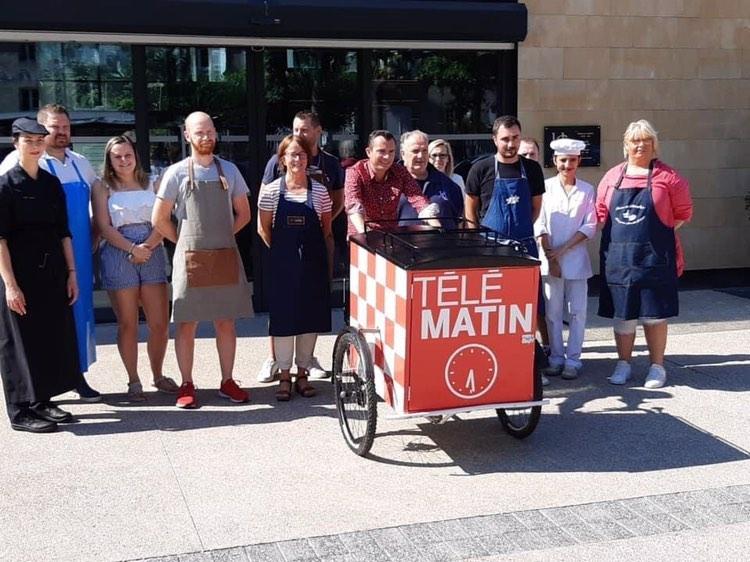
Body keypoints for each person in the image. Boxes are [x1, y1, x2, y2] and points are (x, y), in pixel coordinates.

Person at [151, 111, 253, 408]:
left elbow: (244, 214)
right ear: (187, 136)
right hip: (190, 258)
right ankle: (187, 383)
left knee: (226, 323)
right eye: (199, 132)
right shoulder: (176, 173)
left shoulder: (230, 171)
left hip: (224, 255)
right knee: (187, 323)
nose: (205, 137)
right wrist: (184, 242)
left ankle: (227, 381)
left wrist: (223, 236)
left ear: (216, 134)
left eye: (209, 131)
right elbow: (158, 219)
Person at [0, 104, 100, 401]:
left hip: (73, 250)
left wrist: (95, 236)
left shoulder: (81, 163)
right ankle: (40, 391)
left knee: (75, 319)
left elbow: (96, 203)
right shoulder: (17, 165)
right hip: (32, 257)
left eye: (66, 127)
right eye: (55, 127)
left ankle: (75, 375)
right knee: (37, 325)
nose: (61, 133)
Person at [597, 119, 692, 389]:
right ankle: (623, 364)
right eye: (634, 140)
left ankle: (657, 367)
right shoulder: (612, 177)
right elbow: (602, 215)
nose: (640, 145)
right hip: (619, 260)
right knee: (623, 315)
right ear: (626, 145)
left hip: (654, 259)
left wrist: (657, 234)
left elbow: (683, 214)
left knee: (654, 315)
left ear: (654, 145)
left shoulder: (669, 177)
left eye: (646, 140)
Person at [257, 111, 343, 383]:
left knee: (310, 315)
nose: (297, 158)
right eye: (291, 155)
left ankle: (303, 369)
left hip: (313, 261)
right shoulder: (271, 188)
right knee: (283, 316)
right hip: (283, 264)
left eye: (301, 155)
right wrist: (284, 251)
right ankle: (282, 371)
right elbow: (263, 228)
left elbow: (327, 227)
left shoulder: (320, 188)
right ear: (282, 160)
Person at [92, 136, 178, 401]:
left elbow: (164, 219)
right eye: (117, 156)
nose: (124, 161)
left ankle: (158, 374)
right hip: (119, 252)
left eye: (128, 155)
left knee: (159, 323)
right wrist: (132, 249)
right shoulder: (102, 186)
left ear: (136, 156)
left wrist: (148, 247)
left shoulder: (153, 182)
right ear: (109, 160)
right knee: (128, 323)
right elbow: (103, 226)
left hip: (152, 248)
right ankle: (133, 380)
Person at [465, 116, 547, 366]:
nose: (511, 144)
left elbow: (535, 209)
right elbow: (470, 210)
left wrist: (518, 233)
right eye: (505, 139)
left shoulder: (532, 169)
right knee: (493, 306)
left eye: (515, 138)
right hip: (490, 247)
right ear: (494, 140)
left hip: (523, 246)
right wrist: (477, 240)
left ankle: (533, 357)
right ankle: (492, 354)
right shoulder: (481, 169)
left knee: (529, 304)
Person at [535, 138, 596, 382]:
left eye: (572, 160)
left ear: (579, 161)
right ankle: (556, 358)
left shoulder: (587, 189)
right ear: (555, 161)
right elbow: (540, 222)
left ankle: (573, 359)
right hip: (549, 259)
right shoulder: (545, 187)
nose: (567, 165)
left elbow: (590, 225)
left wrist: (563, 250)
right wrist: (552, 254)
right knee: (552, 311)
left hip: (576, 259)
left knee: (578, 311)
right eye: (563, 160)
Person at [345, 130, 439, 236]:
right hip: (361, 237)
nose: (387, 157)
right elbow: (353, 205)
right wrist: (365, 235)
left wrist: (438, 228)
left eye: (391, 152)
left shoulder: (400, 172)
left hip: (389, 239)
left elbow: (417, 198)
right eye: (381, 151)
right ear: (368, 152)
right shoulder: (355, 172)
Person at [398, 131, 464, 228]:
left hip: (442, 242)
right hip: (400, 242)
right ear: (403, 154)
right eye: (415, 151)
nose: (420, 156)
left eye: (424, 151)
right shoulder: (390, 184)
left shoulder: (448, 185)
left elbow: (459, 221)